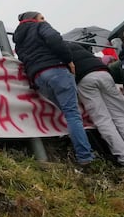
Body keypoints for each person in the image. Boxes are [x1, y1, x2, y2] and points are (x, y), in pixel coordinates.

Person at [13, 11, 95, 168]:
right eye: (42, 18)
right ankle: (85, 156)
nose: (45, 20)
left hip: (38, 77)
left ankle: (69, 143)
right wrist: (69, 60)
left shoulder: (19, 40)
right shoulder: (41, 27)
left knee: (66, 112)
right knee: (72, 113)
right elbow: (55, 39)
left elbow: (21, 57)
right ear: (35, 19)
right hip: (56, 70)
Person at [68, 42, 124, 170]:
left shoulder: (53, 49)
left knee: (103, 120)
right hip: (103, 73)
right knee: (122, 116)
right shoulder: (75, 46)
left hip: (84, 79)